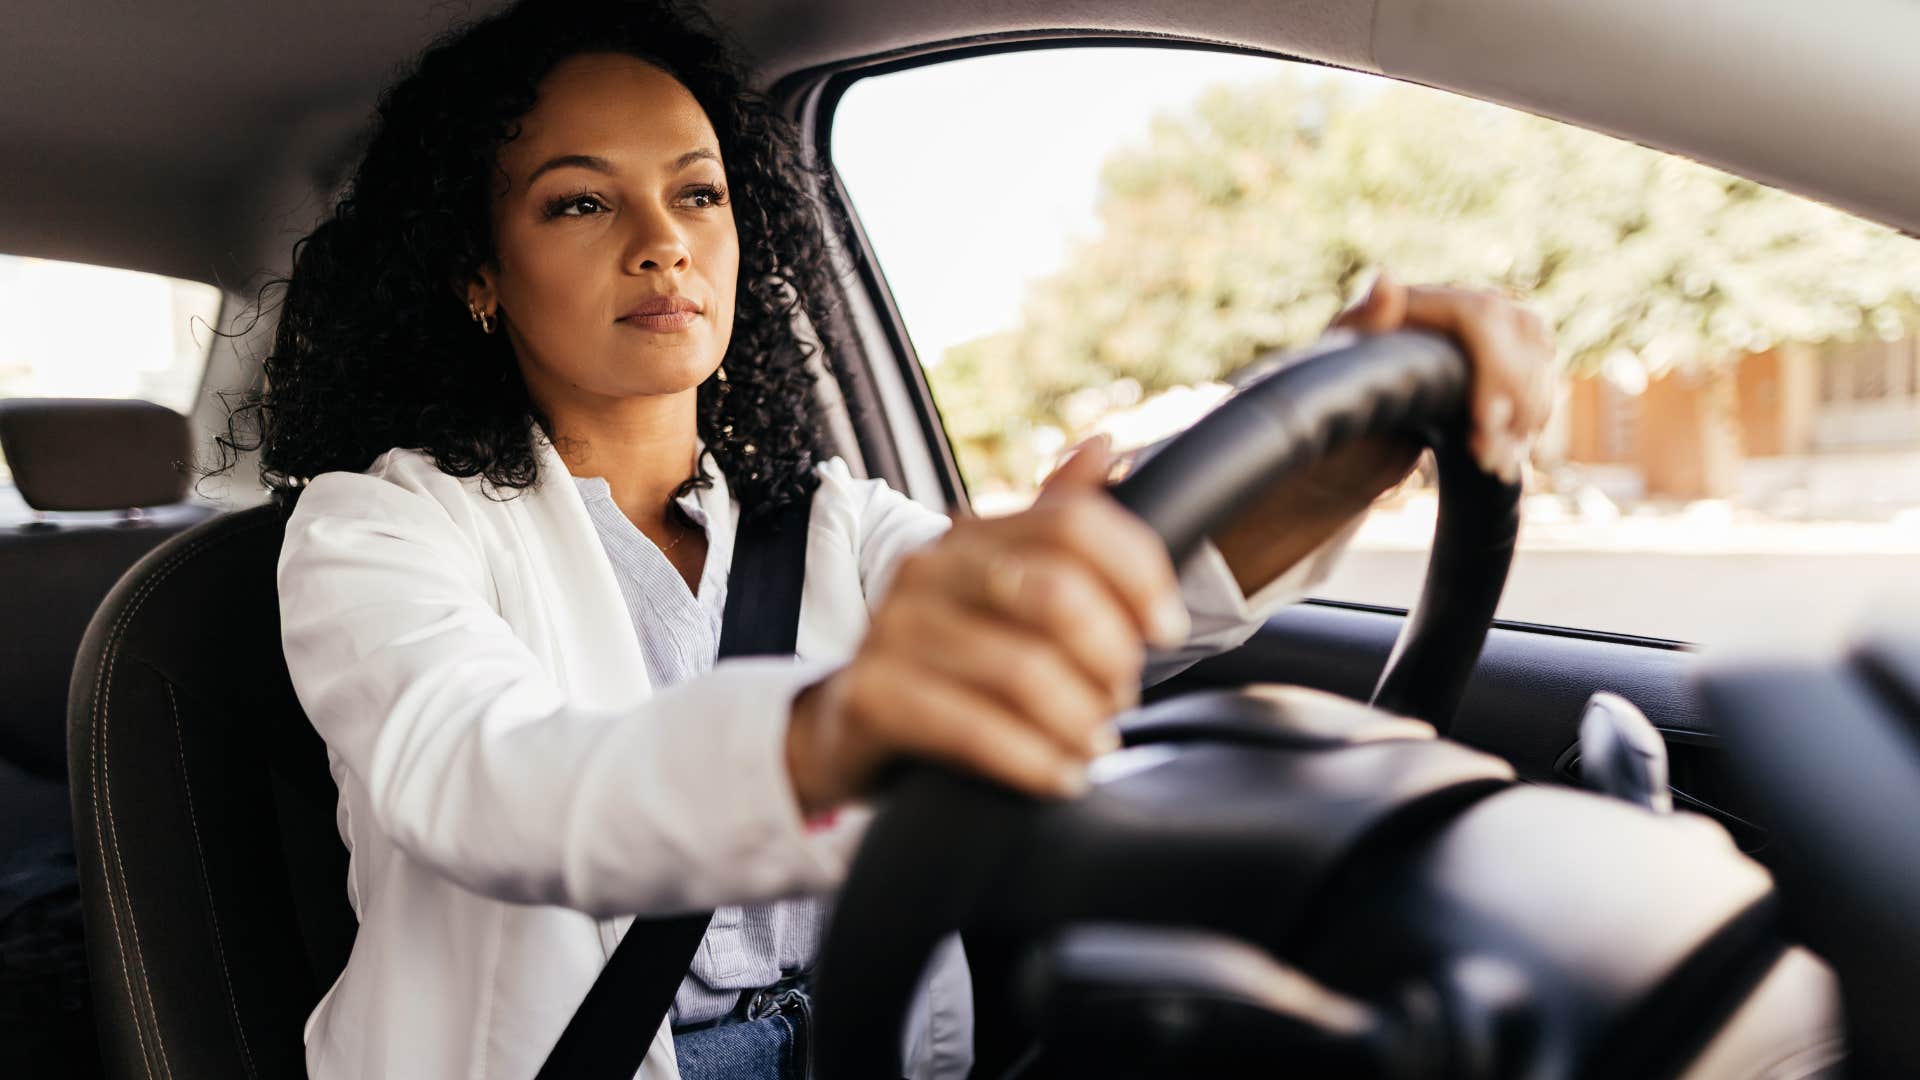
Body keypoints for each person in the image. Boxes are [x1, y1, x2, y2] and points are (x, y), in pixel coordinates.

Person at [225, 1, 1554, 1077]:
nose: (660, 244)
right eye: (580, 203)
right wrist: (833, 727)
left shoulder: (833, 519)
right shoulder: (381, 525)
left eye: (698, 195)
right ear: (476, 273)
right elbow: (483, 780)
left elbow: (1114, 607)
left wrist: (1352, 452)